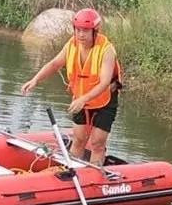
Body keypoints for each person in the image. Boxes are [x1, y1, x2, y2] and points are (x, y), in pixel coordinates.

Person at [21, 9, 123, 166]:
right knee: (79, 139)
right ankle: (71, 172)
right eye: (78, 30)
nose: (81, 35)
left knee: (97, 143)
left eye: (85, 31)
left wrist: (84, 99)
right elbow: (55, 64)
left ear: (95, 31)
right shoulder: (71, 45)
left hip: (104, 101)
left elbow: (104, 82)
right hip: (81, 99)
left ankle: (94, 177)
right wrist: (35, 80)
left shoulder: (106, 50)